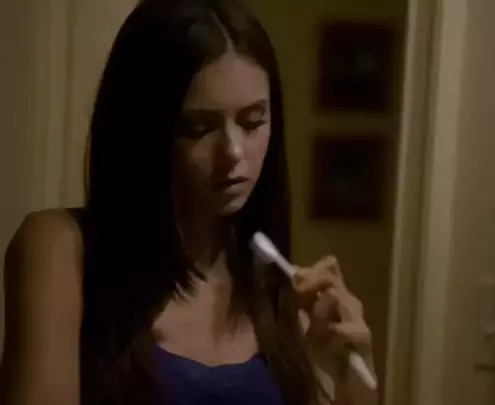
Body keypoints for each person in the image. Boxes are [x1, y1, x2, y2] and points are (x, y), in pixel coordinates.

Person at [0, 1, 377, 404]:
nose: (233, 152)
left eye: (253, 121)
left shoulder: (283, 301)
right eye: (198, 128)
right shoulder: (61, 250)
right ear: (143, 129)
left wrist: (351, 382)